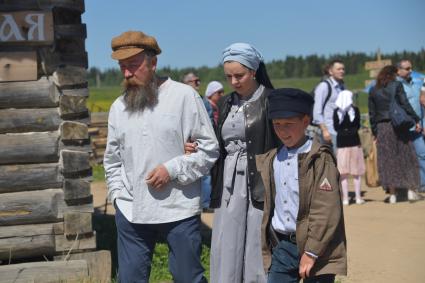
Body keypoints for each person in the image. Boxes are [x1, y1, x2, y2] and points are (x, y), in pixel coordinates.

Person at [104, 30, 219, 283]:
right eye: (122, 67)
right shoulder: (118, 108)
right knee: (131, 278)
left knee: (187, 277)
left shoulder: (183, 97)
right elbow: (112, 160)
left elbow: (209, 148)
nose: (126, 73)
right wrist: (117, 196)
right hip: (131, 209)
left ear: (153, 63)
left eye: (133, 66)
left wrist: (173, 169)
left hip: (178, 206)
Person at [256, 88, 347, 283]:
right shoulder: (272, 159)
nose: (282, 130)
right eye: (277, 124)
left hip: (318, 248)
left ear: (306, 121)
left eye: (289, 124)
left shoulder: (320, 159)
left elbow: (327, 209)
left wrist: (312, 251)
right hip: (283, 247)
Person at [210, 42, 280, 283]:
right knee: (227, 241)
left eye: (239, 75)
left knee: (254, 243)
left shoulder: (271, 100)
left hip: (257, 183)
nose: (234, 81)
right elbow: (218, 144)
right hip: (229, 184)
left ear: (253, 71)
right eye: (229, 76)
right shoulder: (226, 103)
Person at [368, 65, 421, 204]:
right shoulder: (397, 85)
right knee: (406, 156)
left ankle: (392, 195)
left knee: (387, 160)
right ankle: (410, 191)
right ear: (393, 74)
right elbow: (405, 104)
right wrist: (416, 118)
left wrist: (375, 132)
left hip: (383, 127)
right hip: (399, 125)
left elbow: (372, 114)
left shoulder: (373, 90)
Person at [182, 72, 214, 210]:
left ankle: (205, 204)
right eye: (195, 81)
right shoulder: (179, 100)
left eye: (198, 80)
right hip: (182, 146)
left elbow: (209, 124)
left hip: (200, 145)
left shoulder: (203, 101)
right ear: (186, 83)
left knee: (205, 174)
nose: (198, 84)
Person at [397, 59, 425, 195]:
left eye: (411, 68)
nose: (411, 71)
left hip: (419, 127)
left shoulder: (417, 84)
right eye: (407, 69)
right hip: (403, 128)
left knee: (422, 154)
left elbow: (422, 106)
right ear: (399, 71)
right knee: (405, 157)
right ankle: (406, 187)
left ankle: (422, 184)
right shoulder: (395, 86)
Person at [333, 90, 365, 205]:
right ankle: (356, 197)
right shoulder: (354, 110)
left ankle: (346, 198)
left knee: (344, 173)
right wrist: (350, 131)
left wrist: (344, 131)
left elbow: (337, 128)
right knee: (354, 172)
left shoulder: (337, 112)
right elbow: (356, 126)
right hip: (354, 142)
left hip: (342, 144)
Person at [312, 59, 346, 152]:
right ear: (330, 71)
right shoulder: (323, 86)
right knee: (333, 162)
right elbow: (317, 111)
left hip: (342, 131)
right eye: (338, 69)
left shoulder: (342, 87)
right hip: (330, 131)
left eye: (343, 69)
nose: (342, 71)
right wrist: (324, 130)